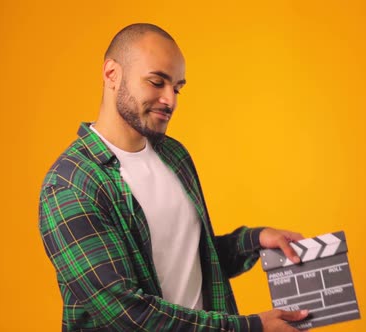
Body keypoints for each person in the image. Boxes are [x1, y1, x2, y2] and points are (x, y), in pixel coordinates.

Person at [39, 23, 309, 331]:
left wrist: (254, 241)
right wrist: (251, 328)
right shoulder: (71, 184)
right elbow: (127, 313)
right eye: (156, 82)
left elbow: (187, 257)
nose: (171, 100)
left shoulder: (174, 155)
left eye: (177, 87)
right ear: (112, 74)